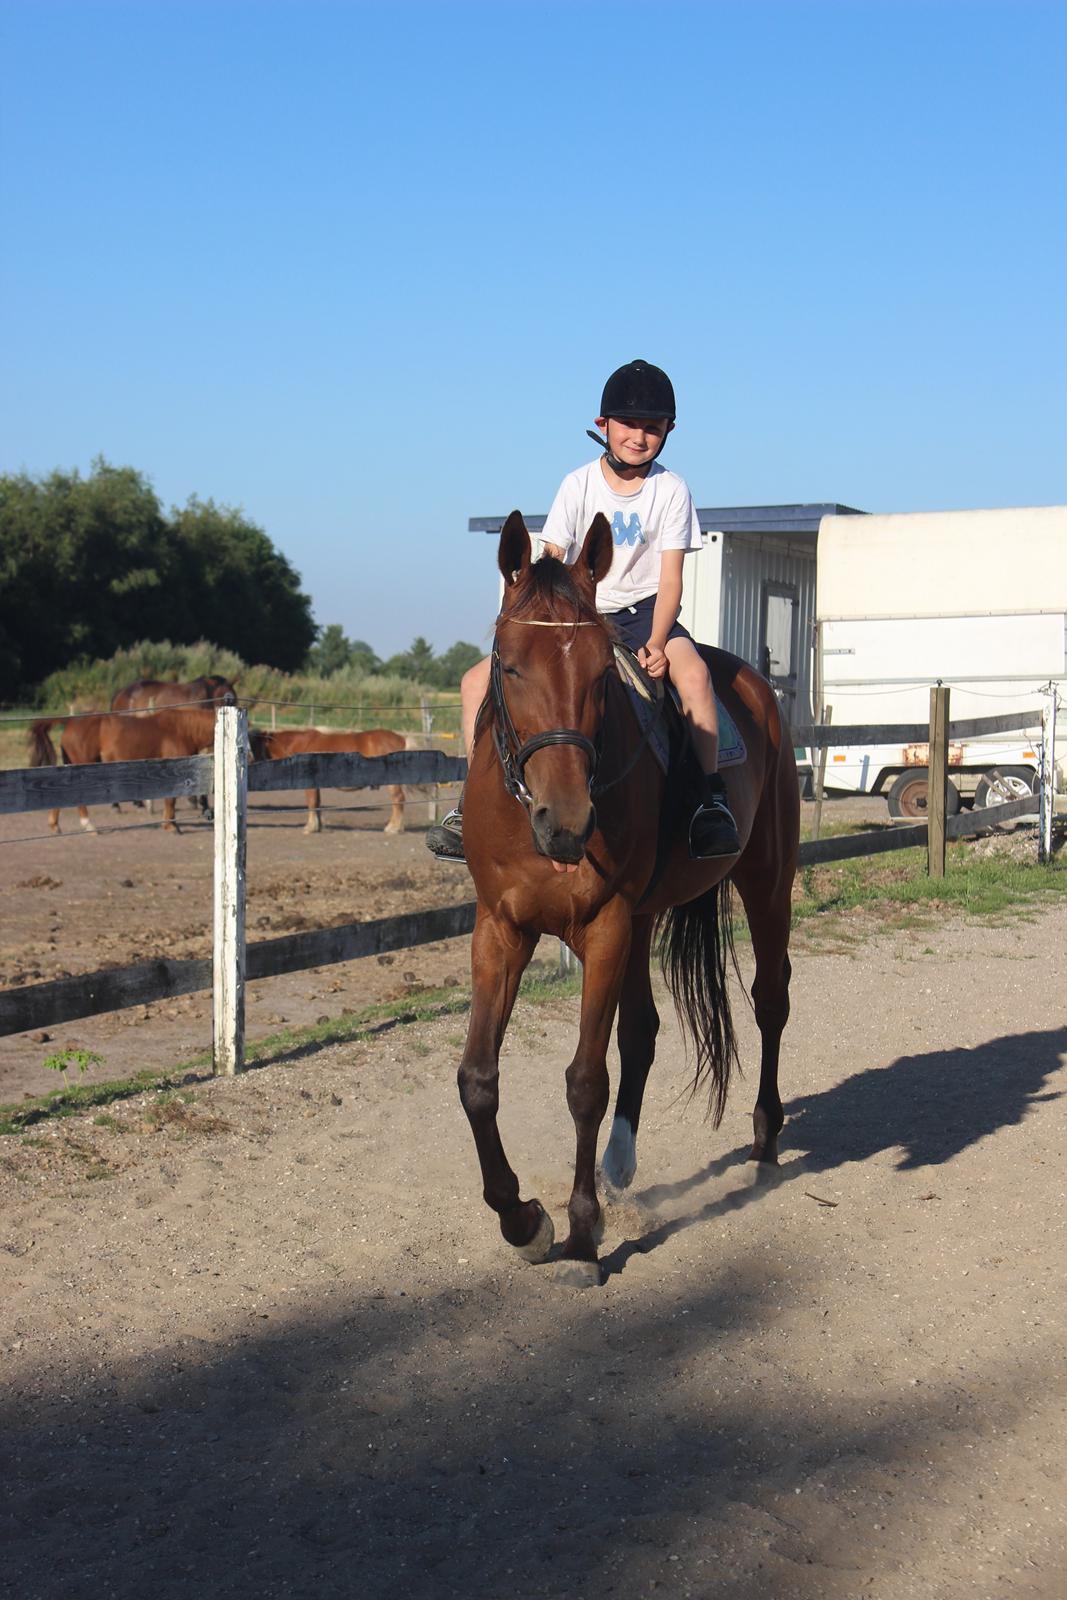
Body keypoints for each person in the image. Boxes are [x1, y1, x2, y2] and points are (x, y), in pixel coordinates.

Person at [426, 358, 741, 863]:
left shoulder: (672, 490)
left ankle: (709, 802)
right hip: (578, 619)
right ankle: (469, 805)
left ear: (668, 431)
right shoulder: (577, 484)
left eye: (652, 428)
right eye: (629, 425)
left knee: (697, 679)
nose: (639, 437)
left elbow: (672, 578)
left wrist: (659, 643)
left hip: (645, 615)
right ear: (604, 426)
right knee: (471, 684)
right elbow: (552, 557)